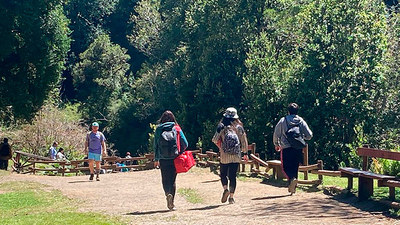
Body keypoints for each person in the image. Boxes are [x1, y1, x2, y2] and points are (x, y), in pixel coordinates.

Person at [273, 103, 313, 194]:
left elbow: (276, 133)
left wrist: (276, 144)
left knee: (285, 167)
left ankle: (292, 179)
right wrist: (302, 138)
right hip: (298, 148)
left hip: (286, 147)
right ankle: (293, 188)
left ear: (288, 111)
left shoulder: (283, 120)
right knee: (295, 167)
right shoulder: (301, 121)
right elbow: (309, 135)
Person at [212, 107, 249, 204]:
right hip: (236, 155)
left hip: (225, 155)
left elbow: (215, 139)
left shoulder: (222, 126)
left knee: (223, 174)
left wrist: (221, 147)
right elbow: (244, 141)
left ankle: (225, 189)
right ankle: (231, 197)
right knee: (233, 176)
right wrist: (245, 153)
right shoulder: (239, 127)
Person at [154, 110, 188, 210]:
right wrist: (179, 151)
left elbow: (155, 145)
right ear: (173, 118)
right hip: (175, 158)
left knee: (165, 179)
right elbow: (185, 143)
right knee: (172, 180)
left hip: (163, 159)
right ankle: (172, 202)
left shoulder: (159, 129)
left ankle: (167, 194)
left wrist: (156, 159)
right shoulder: (176, 128)